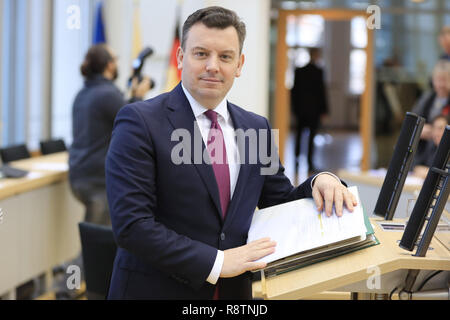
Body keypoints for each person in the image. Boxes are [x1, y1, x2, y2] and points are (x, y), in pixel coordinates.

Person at [105, 6, 356, 300]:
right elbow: (132, 226)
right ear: (181, 58)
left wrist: (320, 181)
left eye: (225, 56)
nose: (213, 65)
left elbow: (278, 201)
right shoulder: (139, 121)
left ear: (239, 64)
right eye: (201, 54)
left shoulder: (255, 127)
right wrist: (219, 262)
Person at [69, 43, 151, 226]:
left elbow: (118, 115)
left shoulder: (83, 93)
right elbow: (133, 122)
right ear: (109, 65)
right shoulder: (107, 94)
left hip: (80, 175)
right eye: (115, 59)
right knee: (97, 243)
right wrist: (138, 96)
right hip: (97, 180)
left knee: (96, 237)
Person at [290, 47, 329, 176]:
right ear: (315, 55)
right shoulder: (318, 71)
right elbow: (322, 92)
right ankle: (309, 162)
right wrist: (324, 110)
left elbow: (294, 92)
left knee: (299, 135)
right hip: (313, 110)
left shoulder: (300, 71)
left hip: (302, 109)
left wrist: (294, 108)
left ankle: (297, 161)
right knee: (310, 136)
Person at [412, 114, 449, 179]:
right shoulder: (432, 146)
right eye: (434, 129)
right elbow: (415, 165)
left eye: (440, 128)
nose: (436, 133)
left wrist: (429, 173)